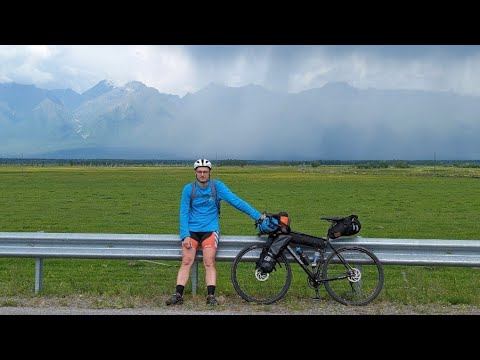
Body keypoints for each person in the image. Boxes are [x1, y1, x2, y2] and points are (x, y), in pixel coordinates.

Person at [165, 158, 266, 306]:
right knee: (186, 261)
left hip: (210, 230)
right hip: (191, 231)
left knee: (209, 262)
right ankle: (178, 295)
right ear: (195, 173)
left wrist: (258, 216)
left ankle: (211, 296)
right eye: (199, 172)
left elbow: (236, 201)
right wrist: (185, 235)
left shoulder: (217, 187)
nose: (202, 174)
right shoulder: (188, 189)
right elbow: (183, 213)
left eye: (205, 171)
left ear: (210, 172)